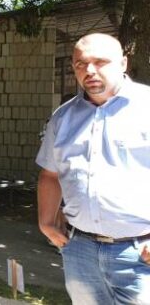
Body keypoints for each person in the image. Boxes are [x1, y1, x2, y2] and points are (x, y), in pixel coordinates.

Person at [37, 33, 150, 304]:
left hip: (139, 254)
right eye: (80, 64)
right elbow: (50, 175)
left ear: (123, 63)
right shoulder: (63, 118)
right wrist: (46, 222)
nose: (89, 71)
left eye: (100, 62)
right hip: (80, 251)